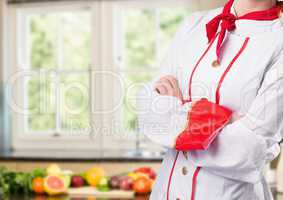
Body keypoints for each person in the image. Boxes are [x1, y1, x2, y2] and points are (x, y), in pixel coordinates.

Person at [137, 0, 283, 199]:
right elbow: (150, 111)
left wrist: (177, 122)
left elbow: (248, 151)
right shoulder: (193, 24)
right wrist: (225, 120)